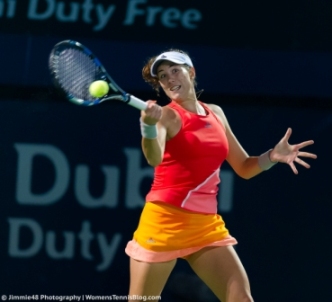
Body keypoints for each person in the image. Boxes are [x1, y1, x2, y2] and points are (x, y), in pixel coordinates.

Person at [125, 49, 317, 302]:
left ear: (191, 72)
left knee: (241, 299)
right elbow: (154, 157)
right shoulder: (167, 116)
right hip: (164, 221)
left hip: (205, 225)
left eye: (175, 70)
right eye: (162, 76)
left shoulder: (215, 113)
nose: (170, 79)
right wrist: (148, 127)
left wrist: (271, 156)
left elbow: (244, 167)